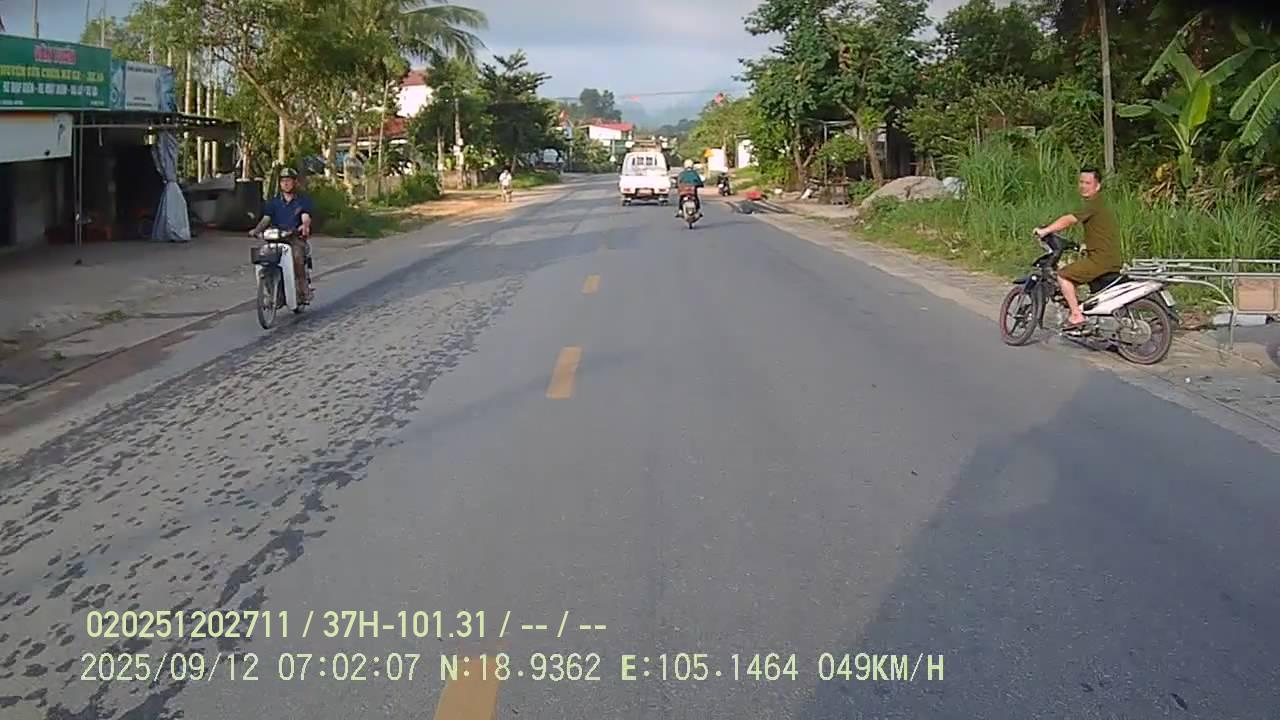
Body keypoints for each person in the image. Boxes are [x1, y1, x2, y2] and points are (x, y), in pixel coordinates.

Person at [1034, 166, 1122, 329]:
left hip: (1100, 260)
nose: (1083, 186)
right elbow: (1101, 232)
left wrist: (1045, 230)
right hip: (1108, 256)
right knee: (1077, 274)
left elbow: (1069, 219)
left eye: (1088, 183)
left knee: (1063, 275)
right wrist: (1085, 246)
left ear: (1097, 186)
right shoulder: (1101, 203)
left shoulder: (1093, 204)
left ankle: (1076, 315)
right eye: (1081, 182)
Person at [251, 168, 314, 304]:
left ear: (294, 182)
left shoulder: (302, 201)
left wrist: (304, 226)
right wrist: (256, 230)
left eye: (288, 181)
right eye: (283, 181)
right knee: (264, 258)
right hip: (275, 238)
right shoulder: (274, 202)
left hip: (294, 238)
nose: (285, 183)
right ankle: (272, 293)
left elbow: (305, 217)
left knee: (297, 257)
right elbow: (266, 219)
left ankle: (303, 287)